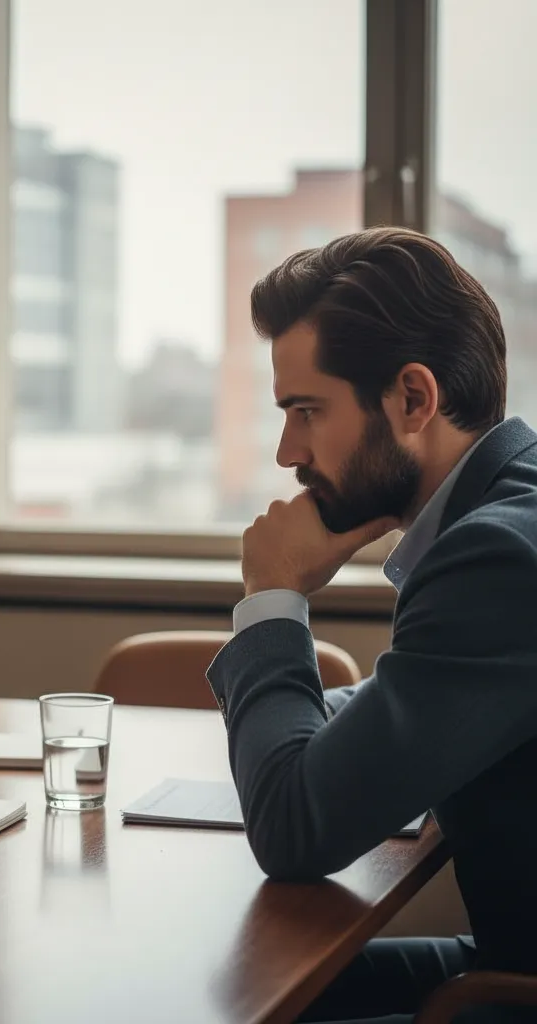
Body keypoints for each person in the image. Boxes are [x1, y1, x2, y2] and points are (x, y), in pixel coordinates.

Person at [206, 228, 537, 1023]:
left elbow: (295, 831)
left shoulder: (495, 558)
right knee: (241, 991)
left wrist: (273, 594)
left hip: (516, 991)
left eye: (307, 411)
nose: (289, 452)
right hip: (507, 961)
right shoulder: (509, 511)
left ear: (414, 399)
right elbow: (436, 703)